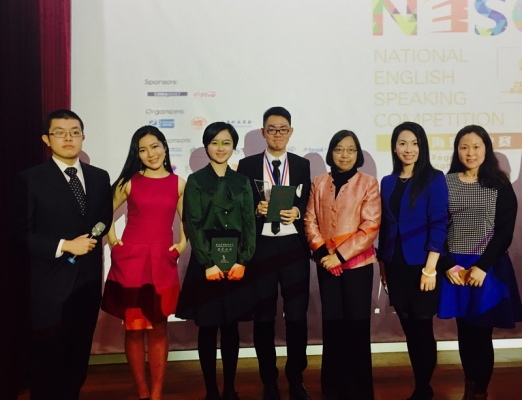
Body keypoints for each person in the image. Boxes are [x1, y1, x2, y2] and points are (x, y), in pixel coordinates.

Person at [9, 110, 112, 399]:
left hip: (87, 284)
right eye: (60, 132)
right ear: (46, 139)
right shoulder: (30, 179)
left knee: (77, 363)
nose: (68, 138)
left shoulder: (99, 177)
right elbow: (17, 234)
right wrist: (64, 245)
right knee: (47, 364)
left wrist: (93, 236)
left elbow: (103, 220)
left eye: (74, 132)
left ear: (83, 136)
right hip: (48, 288)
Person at [101, 125, 186, 400]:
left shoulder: (179, 183)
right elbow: (103, 212)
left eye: (155, 146)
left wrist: (182, 244)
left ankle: (157, 393)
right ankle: (142, 392)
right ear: (136, 154)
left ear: (164, 147)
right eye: (143, 149)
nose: (151, 153)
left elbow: (187, 220)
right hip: (131, 260)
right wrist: (114, 242)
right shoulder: (129, 182)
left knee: (159, 327)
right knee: (134, 329)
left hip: (162, 259)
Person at [438, 125, 522, 400]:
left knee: (482, 332)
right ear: (457, 150)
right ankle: (470, 385)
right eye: (464, 147)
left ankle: (480, 392)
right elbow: (438, 227)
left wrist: (483, 266)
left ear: (486, 149)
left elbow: (504, 232)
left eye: (476, 146)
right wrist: (448, 264)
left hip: (487, 266)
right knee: (464, 331)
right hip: (455, 267)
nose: (470, 152)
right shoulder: (446, 183)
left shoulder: (500, 184)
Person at [176, 122, 256, 400]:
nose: (220, 148)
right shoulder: (196, 180)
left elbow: (249, 223)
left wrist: (243, 260)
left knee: (231, 327)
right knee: (208, 328)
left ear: (234, 146)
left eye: (226, 143)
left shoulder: (242, 181)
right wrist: (207, 262)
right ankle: (211, 391)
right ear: (206, 146)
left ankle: (230, 389)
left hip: (236, 261)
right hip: (205, 261)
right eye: (214, 143)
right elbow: (193, 223)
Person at [237, 107, 311, 400]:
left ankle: (296, 380)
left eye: (283, 129)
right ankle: (269, 380)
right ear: (263, 132)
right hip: (262, 248)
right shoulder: (247, 166)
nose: (277, 134)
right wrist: (255, 209)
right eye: (272, 129)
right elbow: (240, 207)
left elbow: (309, 203)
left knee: (297, 317)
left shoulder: (302, 165)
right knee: (264, 318)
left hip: (294, 249)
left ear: (290, 132)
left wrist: (298, 212)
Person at [304, 130, 381, 400]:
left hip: (358, 267)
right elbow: (310, 220)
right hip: (326, 265)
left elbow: (370, 226)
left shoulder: (368, 183)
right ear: (331, 152)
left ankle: (360, 391)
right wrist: (324, 253)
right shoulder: (319, 182)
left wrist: (339, 256)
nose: (344, 155)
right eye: (339, 149)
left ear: (357, 154)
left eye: (350, 150)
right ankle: (333, 390)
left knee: (357, 328)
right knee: (333, 327)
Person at [378, 122, 448, 400]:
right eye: (403, 143)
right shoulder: (387, 181)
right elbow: (385, 226)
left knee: (422, 326)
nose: (409, 149)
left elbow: (439, 224)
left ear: (422, 147)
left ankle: (423, 387)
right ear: (394, 147)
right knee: (408, 327)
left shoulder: (434, 178)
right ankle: (420, 384)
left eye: (415, 143)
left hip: (423, 265)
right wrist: (383, 266)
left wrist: (430, 269)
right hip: (395, 264)